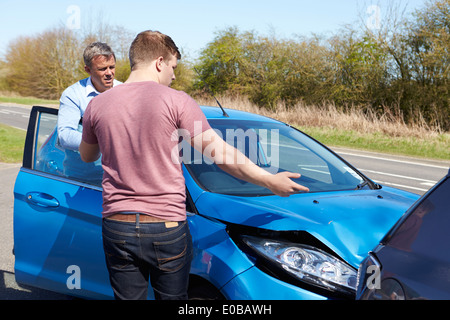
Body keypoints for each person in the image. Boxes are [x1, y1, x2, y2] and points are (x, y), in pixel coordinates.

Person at [79, 30, 309, 300]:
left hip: (118, 226)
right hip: (165, 226)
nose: (173, 76)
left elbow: (86, 156)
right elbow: (220, 154)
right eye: (173, 67)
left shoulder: (98, 105)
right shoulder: (177, 101)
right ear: (159, 61)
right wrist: (269, 180)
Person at [57, 42, 120, 183]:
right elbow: (65, 135)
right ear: (88, 69)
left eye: (112, 67)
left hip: (118, 177)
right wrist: (104, 141)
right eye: (103, 69)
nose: (109, 73)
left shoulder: (125, 90)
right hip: (82, 178)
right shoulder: (73, 95)